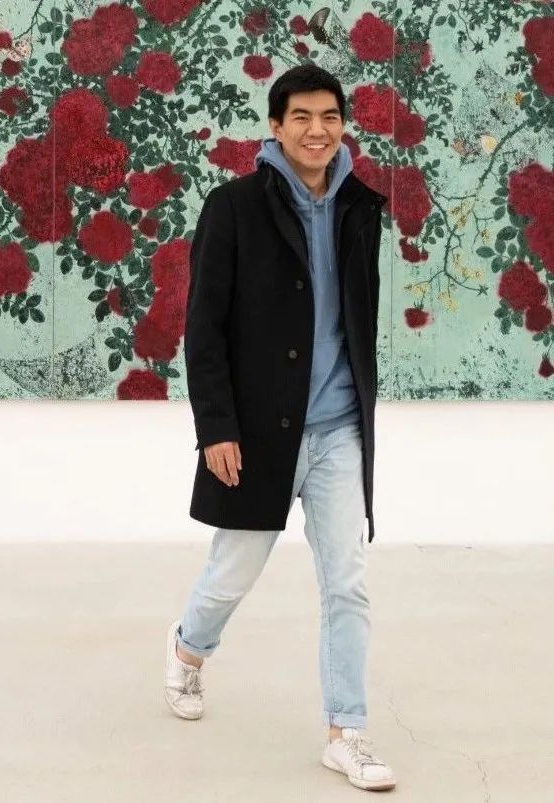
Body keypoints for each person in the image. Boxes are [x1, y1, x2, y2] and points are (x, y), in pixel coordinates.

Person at [164, 65, 396, 792]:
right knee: (231, 574)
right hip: (259, 432)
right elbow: (203, 328)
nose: (316, 130)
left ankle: (346, 732)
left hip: (339, 428)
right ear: (275, 126)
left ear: (342, 125)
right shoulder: (234, 206)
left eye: (329, 117)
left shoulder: (360, 207)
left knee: (347, 585)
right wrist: (216, 427)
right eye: (301, 117)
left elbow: (356, 320)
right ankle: (187, 649)